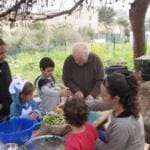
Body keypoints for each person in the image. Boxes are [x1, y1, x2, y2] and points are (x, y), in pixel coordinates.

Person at [95, 72, 145, 150]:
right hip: (119, 140)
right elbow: (100, 104)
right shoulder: (125, 104)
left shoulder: (122, 126)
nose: (100, 95)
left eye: (104, 95)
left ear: (116, 98)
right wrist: (83, 104)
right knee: (94, 131)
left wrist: (92, 140)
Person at [0, 38, 12, 121]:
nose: (4, 56)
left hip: (9, 110)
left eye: (4, 52)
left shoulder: (5, 65)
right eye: (1, 53)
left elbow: (10, 84)